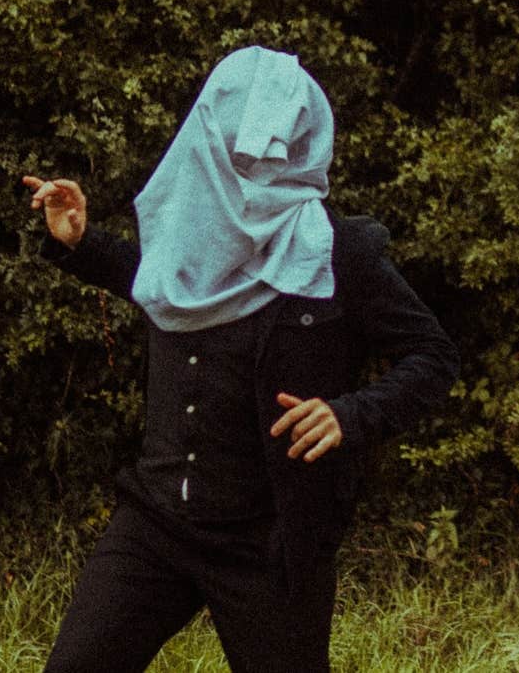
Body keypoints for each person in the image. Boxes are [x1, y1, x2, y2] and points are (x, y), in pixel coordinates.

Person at [23, 46, 459, 672]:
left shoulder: (339, 254)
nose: (253, 162)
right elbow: (159, 293)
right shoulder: (184, 237)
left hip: (269, 542)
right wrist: (83, 244)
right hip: (155, 525)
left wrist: (350, 414)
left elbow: (433, 355)